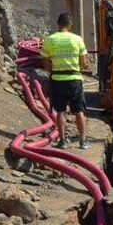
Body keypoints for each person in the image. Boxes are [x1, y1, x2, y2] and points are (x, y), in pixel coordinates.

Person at [41, 12, 91, 149]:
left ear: (58, 24)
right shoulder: (77, 39)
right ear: (70, 25)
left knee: (60, 111)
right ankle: (83, 141)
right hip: (74, 79)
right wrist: (78, 68)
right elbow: (84, 63)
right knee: (79, 111)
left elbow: (46, 63)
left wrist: (55, 71)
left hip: (57, 79)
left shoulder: (49, 40)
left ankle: (62, 141)